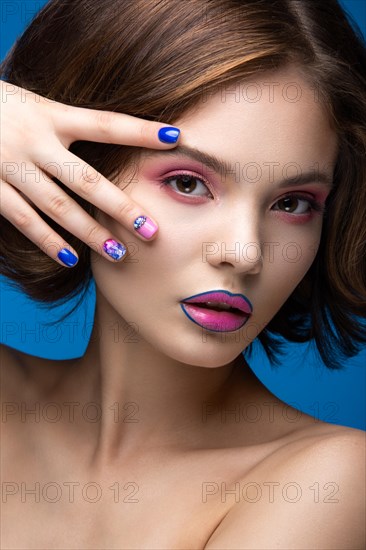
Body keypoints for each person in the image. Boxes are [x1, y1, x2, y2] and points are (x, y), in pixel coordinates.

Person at [1, 0, 365, 548]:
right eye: (189, 183)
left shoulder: (326, 481)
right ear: (72, 167)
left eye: (293, 203)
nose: (245, 253)